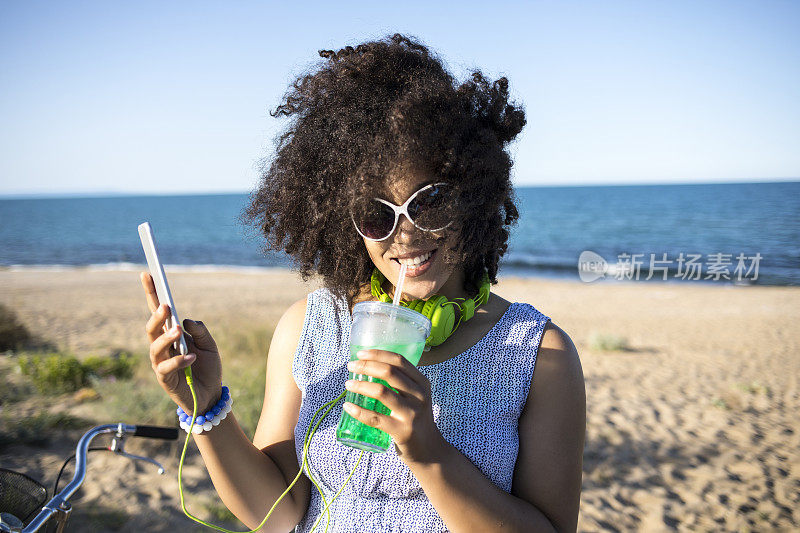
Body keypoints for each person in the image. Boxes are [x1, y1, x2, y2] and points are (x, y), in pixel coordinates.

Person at [141, 34, 585, 533]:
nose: (406, 232)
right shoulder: (310, 327)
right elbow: (277, 515)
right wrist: (205, 408)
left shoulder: (539, 354)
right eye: (377, 214)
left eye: (429, 201)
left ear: (472, 195)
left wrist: (429, 454)